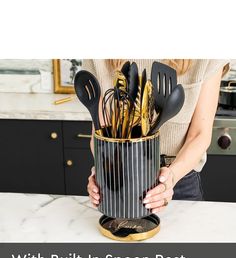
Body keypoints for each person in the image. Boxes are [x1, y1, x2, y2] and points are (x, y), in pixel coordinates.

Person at [83, 59, 229, 214]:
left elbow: (200, 134)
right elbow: (101, 133)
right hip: (118, 178)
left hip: (178, 180)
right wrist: (103, 170)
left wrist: (170, 178)